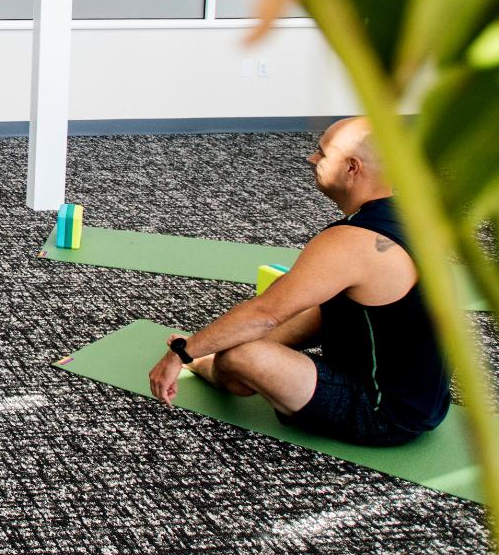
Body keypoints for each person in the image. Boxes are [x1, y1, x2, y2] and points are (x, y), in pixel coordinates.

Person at [146, 116, 452, 446]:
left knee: (239, 354)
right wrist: (219, 337)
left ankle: (209, 366)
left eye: (322, 153)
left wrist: (181, 353)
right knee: (273, 322)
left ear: (352, 168)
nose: (311, 158)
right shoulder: (407, 217)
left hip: (384, 415)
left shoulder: (353, 240)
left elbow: (266, 313)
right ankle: (215, 353)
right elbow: (318, 310)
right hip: (423, 402)